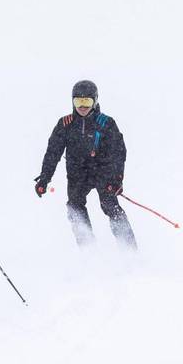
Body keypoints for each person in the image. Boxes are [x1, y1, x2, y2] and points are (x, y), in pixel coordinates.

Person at [34, 80, 137, 249]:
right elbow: (53, 153)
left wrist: (117, 179)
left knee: (110, 205)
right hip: (78, 174)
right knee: (74, 206)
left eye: (87, 101)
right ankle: (88, 249)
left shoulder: (106, 123)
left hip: (103, 173)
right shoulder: (65, 124)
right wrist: (45, 178)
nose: (82, 106)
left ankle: (129, 249)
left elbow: (119, 153)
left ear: (95, 101)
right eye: (78, 101)